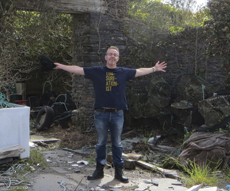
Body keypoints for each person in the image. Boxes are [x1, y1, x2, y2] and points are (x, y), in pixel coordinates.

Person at [54, 46, 167, 182]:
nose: (112, 56)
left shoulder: (123, 72)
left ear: (118, 58)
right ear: (106, 57)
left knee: (117, 144)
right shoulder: (97, 71)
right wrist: (61, 66)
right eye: (110, 54)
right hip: (101, 114)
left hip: (117, 114)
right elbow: (78, 69)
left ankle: (119, 173)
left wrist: (154, 69)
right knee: (101, 143)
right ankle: (99, 171)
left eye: (115, 55)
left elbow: (139, 71)